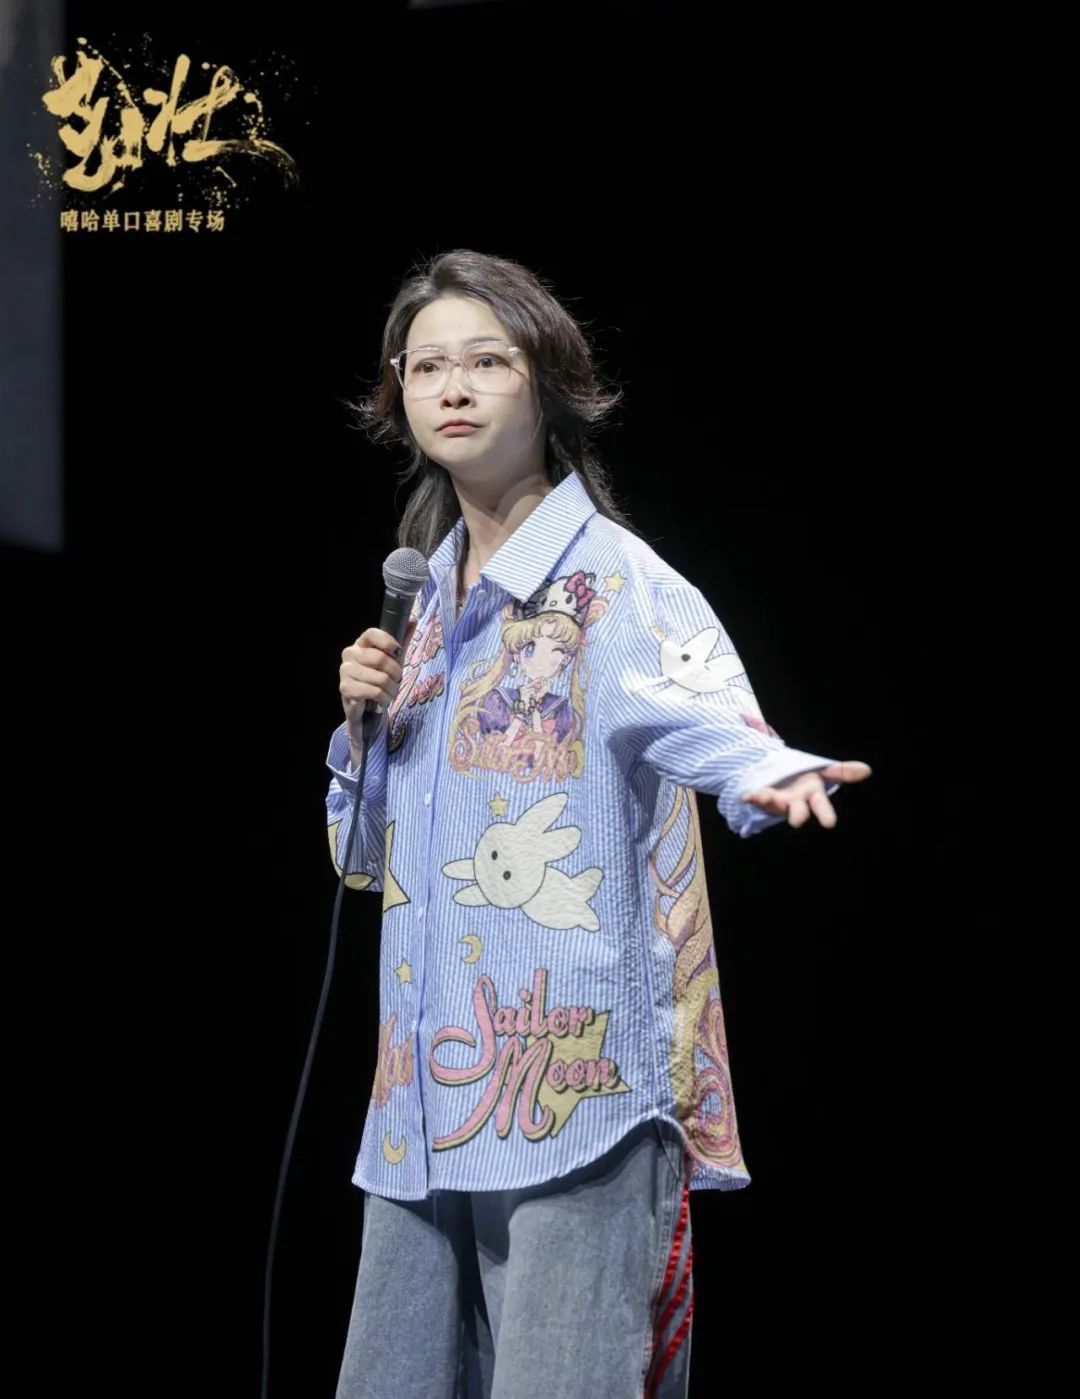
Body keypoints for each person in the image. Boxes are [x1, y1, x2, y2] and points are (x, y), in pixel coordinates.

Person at [326, 249, 871, 1398]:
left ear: (549, 384)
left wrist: (774, 773)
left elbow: (708, 714)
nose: (453, 387)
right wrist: (358, 727)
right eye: (427, 366)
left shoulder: (615, 583)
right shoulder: (424, 608)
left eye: (487, 361)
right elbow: (363, 858)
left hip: (573, 1107)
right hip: (418, 1113)